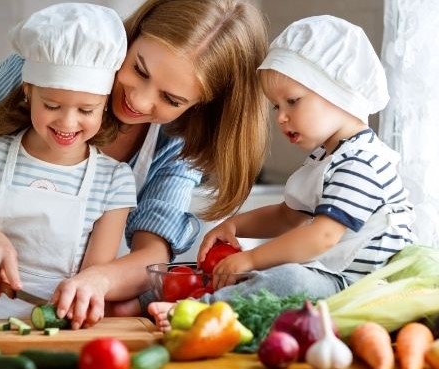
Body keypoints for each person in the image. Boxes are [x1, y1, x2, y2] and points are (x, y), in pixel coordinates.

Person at [0, 0, 269, 328]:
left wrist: (98, 282)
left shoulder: (178, 136)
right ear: (133, 36)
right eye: (139, 69)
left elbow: (153, 251)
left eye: (170, 99)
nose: (138, 100)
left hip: (55, 313)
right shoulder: (52, 61)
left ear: (198, 106)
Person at [149, 15, 416, 330]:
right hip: (334, 277)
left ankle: (199, 312)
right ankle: (207, 306)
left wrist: (251, 258)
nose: (281, 117)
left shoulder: (362, 162)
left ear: (339, 93)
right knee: (276, 274)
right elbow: (288, 216)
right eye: (277, 106)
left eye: (292, 101)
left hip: (365, 290)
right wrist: (234, 224)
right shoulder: (327, 157)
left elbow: (323, 236)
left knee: (289, 277)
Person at [0, 3, 136, 319]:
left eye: (86, 110)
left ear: (105, 104)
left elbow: (93, 277)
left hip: (60, 323)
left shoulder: (114, 180)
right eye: (52, 105)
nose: (68, 123)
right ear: (28, 91)